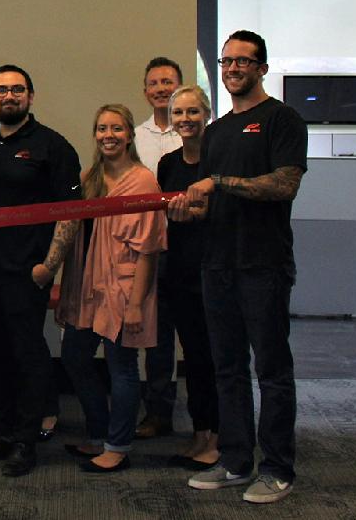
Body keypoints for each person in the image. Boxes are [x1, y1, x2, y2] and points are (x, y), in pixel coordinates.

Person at [173, 31, 307, 505]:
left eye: (242, 61)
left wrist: (219, 183)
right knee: (226, 368)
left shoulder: (282, 119)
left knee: (271, 370)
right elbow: (212, 201)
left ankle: (277, 469)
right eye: (226, 61)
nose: (232, 68)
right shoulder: (219, 131)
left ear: (261, 68)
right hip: (217, 266)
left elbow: (284, 184)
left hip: (262, 265)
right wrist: (186, 210)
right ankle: (234, 461)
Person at [0, 65, 80, 478]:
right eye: (1, 90)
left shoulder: (52, 146)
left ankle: (25, 441)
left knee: (27, 355)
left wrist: (50, 266)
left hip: (26, 271)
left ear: (31, 96)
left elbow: (70, 213)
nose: (8, 96)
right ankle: (0, 432)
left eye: (17, 90)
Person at [45, 104, 165, 473]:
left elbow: (149, 249)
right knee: (75, 359)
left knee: (122, 369)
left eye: (116, 128)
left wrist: (135, 304)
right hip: (87, 287)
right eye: (101, 129)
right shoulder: (90, 178)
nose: (108, 135)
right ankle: (98, 433)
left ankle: (118, 445)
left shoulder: (143, 182)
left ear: (129, 135)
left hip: (124, 289)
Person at [156, 85, 219, 471]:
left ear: (207, 114)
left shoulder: (221, 159)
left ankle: (219, 435)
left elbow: (232, 212)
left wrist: (201, 215)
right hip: (180, 271)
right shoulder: (167, 164)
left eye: (193, 112)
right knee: (193, 358)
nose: (185, 120)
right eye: (178, 113)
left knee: (216, 358)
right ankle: (201, 432)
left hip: (215, 271)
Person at [133, 56, 183, 440]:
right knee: (156, 336)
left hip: (190, 244)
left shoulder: (198, 131)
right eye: (154, 83)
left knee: (198, 333)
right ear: (145, 91)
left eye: (168, 82)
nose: (161, 88)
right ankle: (157, 413)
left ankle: (206, 418)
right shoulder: (136, 136)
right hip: (150, 248)